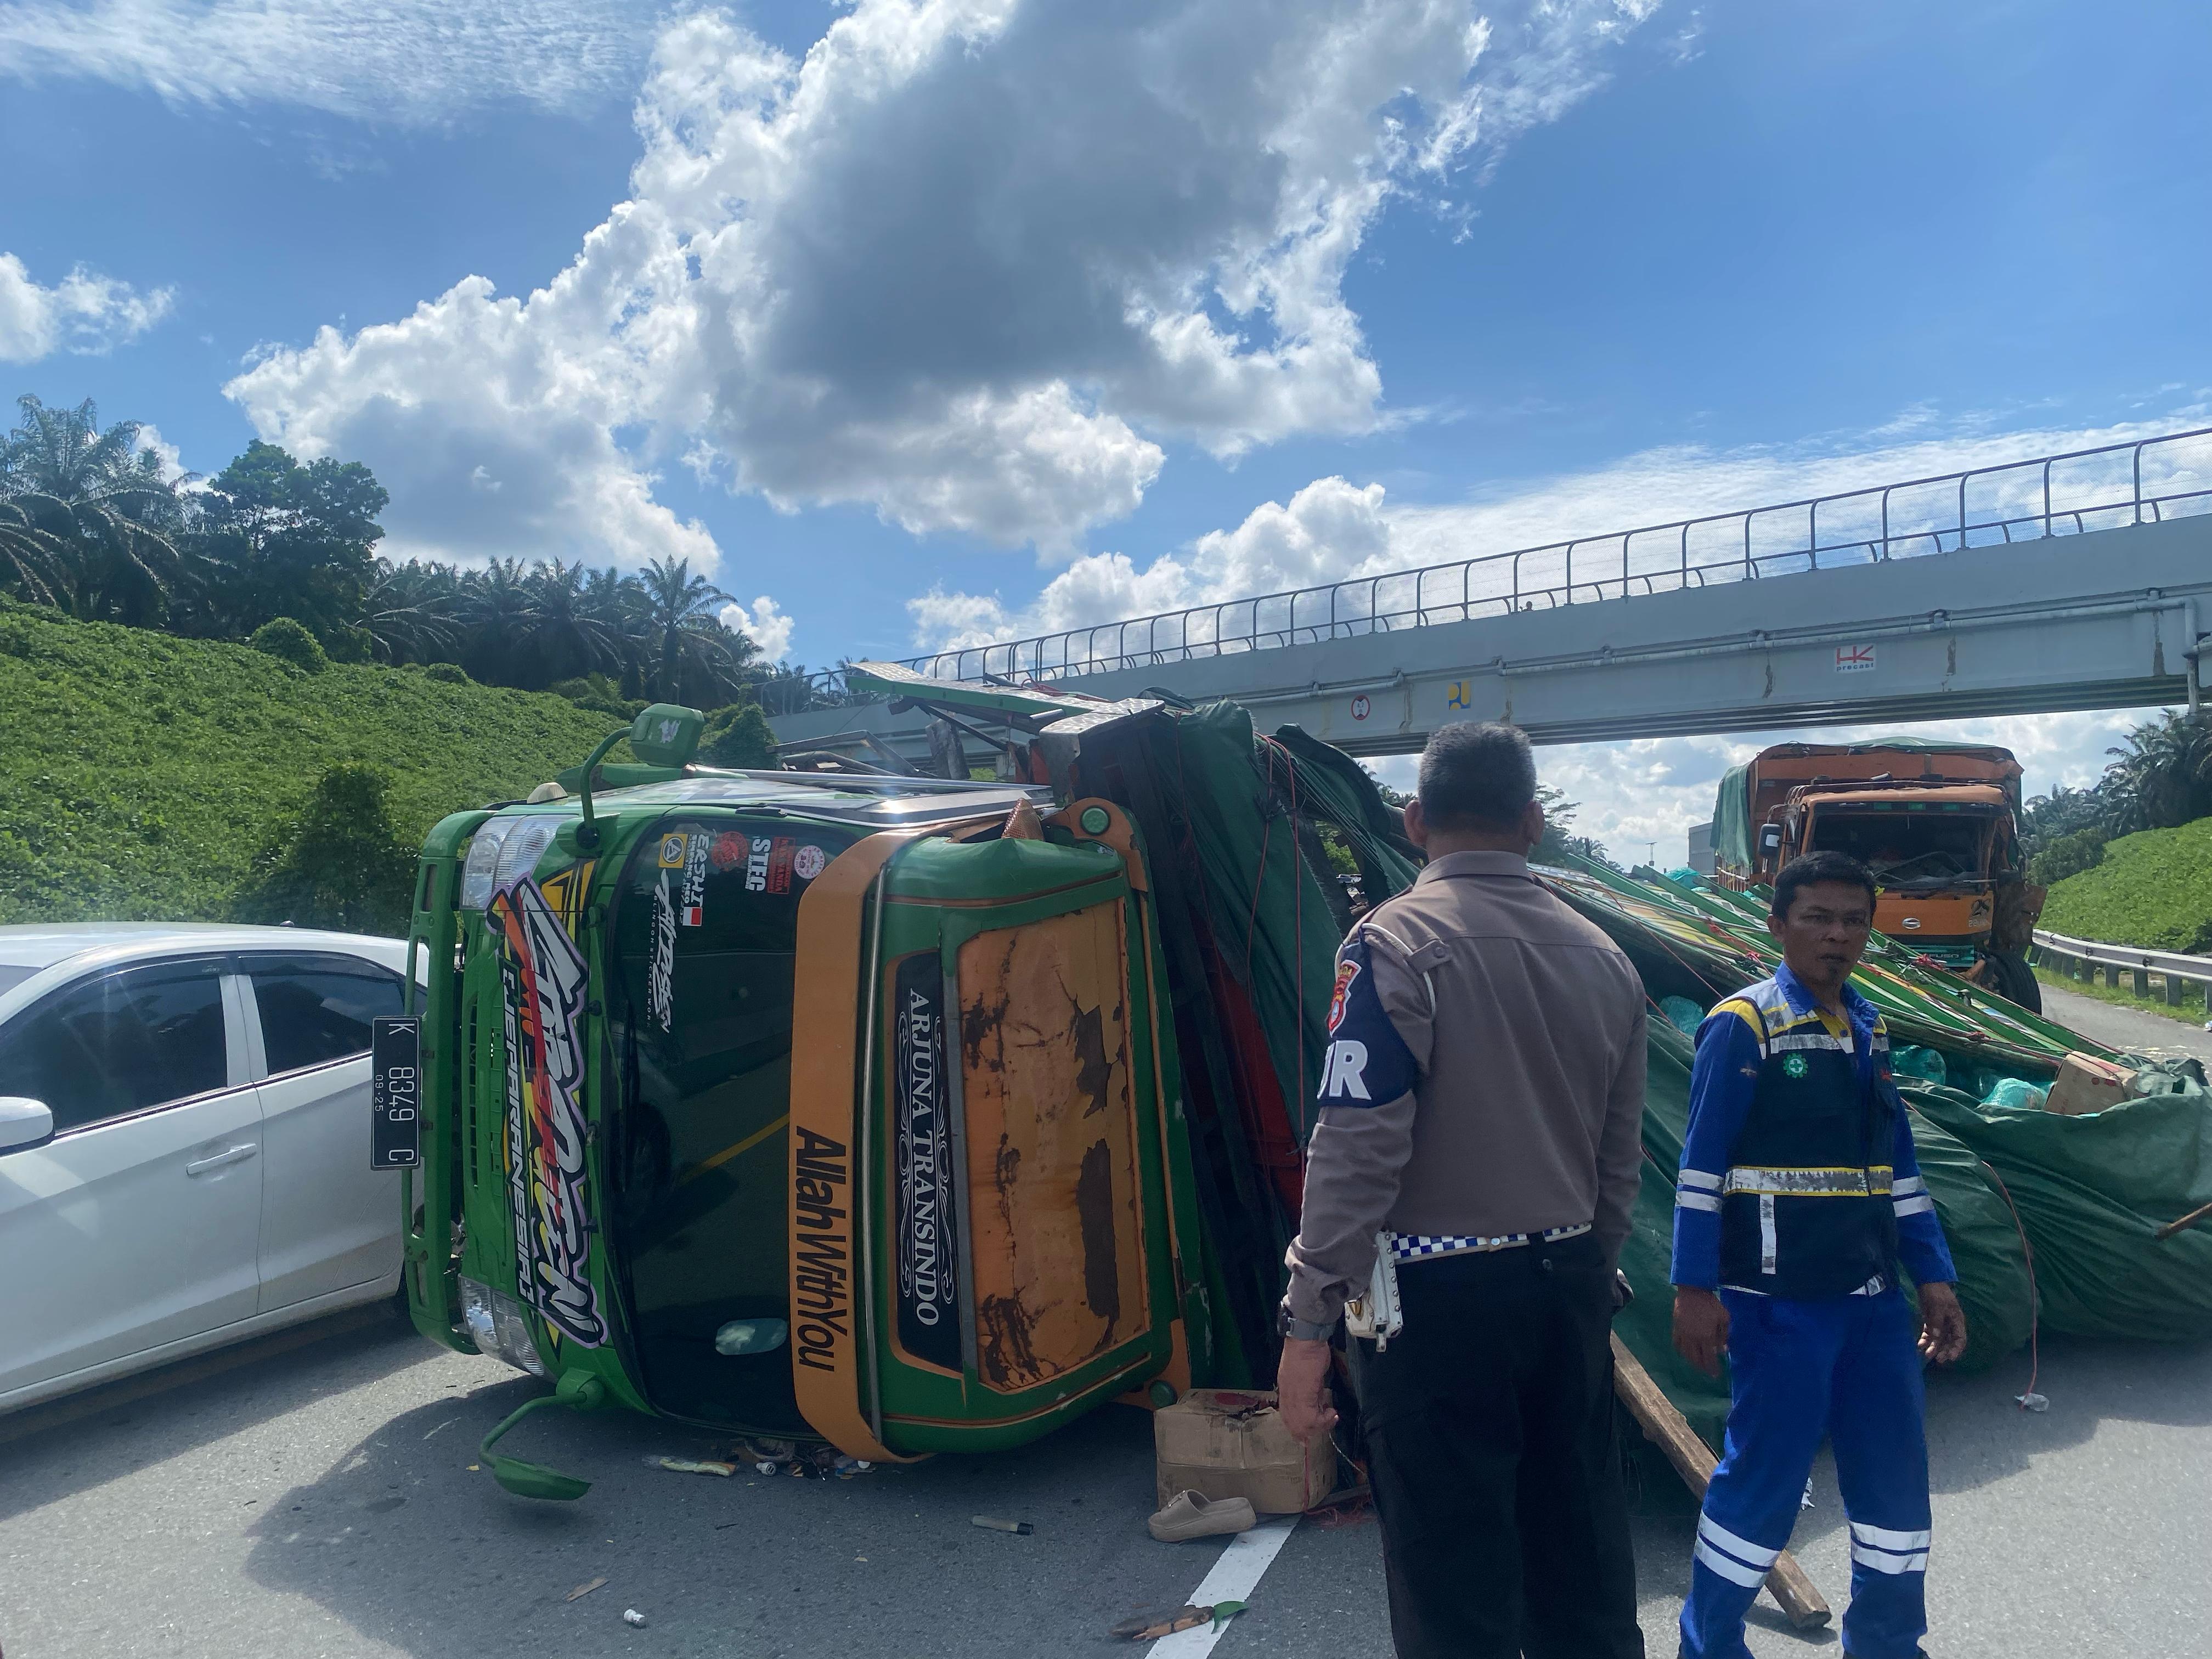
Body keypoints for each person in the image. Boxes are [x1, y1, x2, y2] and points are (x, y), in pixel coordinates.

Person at [1277, 721, 1648, 1659]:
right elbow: (1618, 1161)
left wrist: (1308, 1323)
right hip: (1569, 1290)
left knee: (1454, 1590)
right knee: (1583, 1572)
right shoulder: (1606, 958)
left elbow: (1357, 1146)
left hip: (1437, 1312)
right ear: (1533, 822)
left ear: (1412, 821)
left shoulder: (1392, 944)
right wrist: (1589, 1274)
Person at [1672, 849, 1969, 1659]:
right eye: (1818, 918)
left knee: (1894, 1483)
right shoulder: (1744, 1024)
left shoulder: (1867, 1027)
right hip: (1777, 1302)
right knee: (1763, 1485)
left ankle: (1887, 1644)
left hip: (1872, 1302)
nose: (1837, 937)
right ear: (1777, 925)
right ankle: (1709, 1646)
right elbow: (1700, 1170)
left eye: (1853, 921)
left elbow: (1898, 1169)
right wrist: (1693, 1289)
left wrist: (1934, 1276)